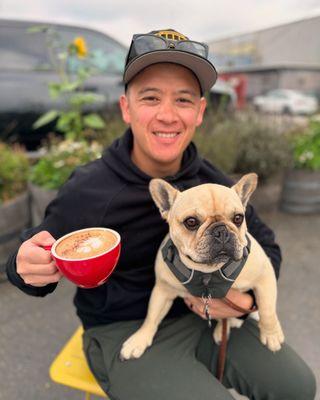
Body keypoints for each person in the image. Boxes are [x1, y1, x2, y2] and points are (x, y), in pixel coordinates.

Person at [6, 29, 316, 400]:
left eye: (183, 100)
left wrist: (245, 303)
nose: (168, 115)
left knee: (297, 386)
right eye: (151, 97)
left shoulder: (213, 183)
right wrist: (23, 266)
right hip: (119, 326)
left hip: (205, 315)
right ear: (126, 107)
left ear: (200, 111)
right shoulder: (90, 187)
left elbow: (266, 245)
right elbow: (40, 249)